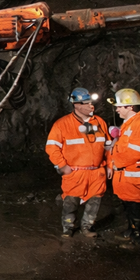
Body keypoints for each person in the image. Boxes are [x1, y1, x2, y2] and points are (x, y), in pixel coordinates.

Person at [46, 87, 112, 238]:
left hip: (96, 172)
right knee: (71, 201)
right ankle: (68, 227)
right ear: (75, 105)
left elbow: (108, 146)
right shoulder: (62, 124)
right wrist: (62, 165)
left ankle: (87, 227)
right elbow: (51, 147)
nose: (90, 106)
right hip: (75, 172)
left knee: (94, 202)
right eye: (85, 103)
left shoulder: (99, 122)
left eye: (91, 102)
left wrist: (109, 165)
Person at [107, 88, 140, 249]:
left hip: (135, 174)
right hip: (126, 175)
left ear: (130, 107)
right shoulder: (129, 124)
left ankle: (139, 238)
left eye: (120, 106)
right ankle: (131, 231)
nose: (117, 109)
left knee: (136, 205)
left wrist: (115, 163)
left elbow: (135, 152)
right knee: (128, 205)